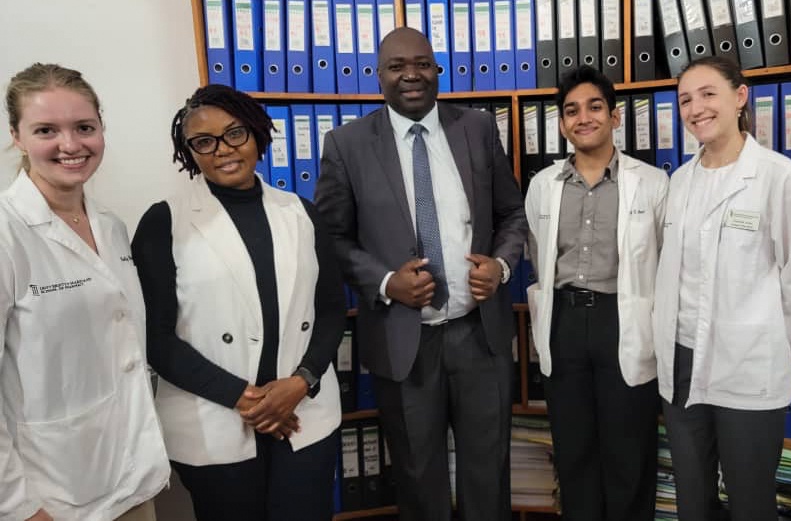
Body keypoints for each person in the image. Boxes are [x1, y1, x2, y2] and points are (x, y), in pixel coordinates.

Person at [314, 27, 527, 521]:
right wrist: (386, 282)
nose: (411, 74)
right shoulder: (346, 144)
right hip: (404, 343)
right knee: (418, 479)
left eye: (422, 63)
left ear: (437, 69)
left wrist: (500, 265)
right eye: (397, 66)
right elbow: (331, 239)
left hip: (480, 337)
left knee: (487, 477)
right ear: (378, 76)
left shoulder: (477, 127)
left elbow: (512, 215)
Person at [130, 84, 344, 521]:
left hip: (304, 413)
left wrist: (301, 382)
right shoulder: (163, 221)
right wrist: (248, 400)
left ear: (256, 134)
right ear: (189, 152)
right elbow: (157, 338)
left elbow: (330, 310)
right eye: (204, 142)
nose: (223, 150)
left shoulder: (301, 213)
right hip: (215, 418)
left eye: (234, 134)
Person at [653, 55, 791, 521]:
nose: (696, 108)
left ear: (740, 97)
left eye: (708, 94)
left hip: (748, 365)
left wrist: (768, 345)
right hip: (681, 362)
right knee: (692, 499)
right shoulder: (679, 182)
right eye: (685, 100)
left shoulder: (779, 176)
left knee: (750, 501)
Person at [0, 63, 170, 521]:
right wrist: (18, 507)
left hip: (132, 478)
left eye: (84, 127)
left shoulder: (111, 227)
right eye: (46, 130)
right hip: (50, 497)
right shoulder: (6, 233)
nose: (71, 144)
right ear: (17, 136)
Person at [523, 64, 667, 520]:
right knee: (574, 450)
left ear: (615, 116)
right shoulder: (543, 186)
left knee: (629, 452)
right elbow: (537, 252)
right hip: (563, 322)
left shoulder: (652, 183)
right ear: (562, 125)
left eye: (594, 107)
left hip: (623, 320)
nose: (583, 118)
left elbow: (664, 260)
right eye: (572, 111)